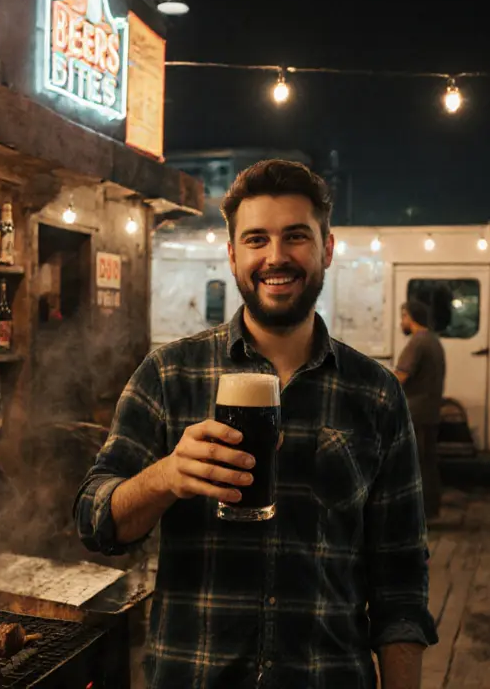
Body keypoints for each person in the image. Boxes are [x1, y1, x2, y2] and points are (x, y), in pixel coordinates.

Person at [74, 159, 436, 688]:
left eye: (296, 237)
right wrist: (165, 476)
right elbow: (93, 518)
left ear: (326, 249)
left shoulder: (375, 394)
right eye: (256, 239)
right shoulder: (169, 374)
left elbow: (401, 578)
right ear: (232, 254)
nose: (276, 257)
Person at [395, 299, 446, 520]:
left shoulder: (417, 343)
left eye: (403, 317)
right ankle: (430, 509)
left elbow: (400, 377)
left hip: (414, 413)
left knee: (413, 464)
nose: (401, 322)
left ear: (410, 317)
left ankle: (417, 514)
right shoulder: (434, 341)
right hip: (430, 412)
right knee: (427, 462)